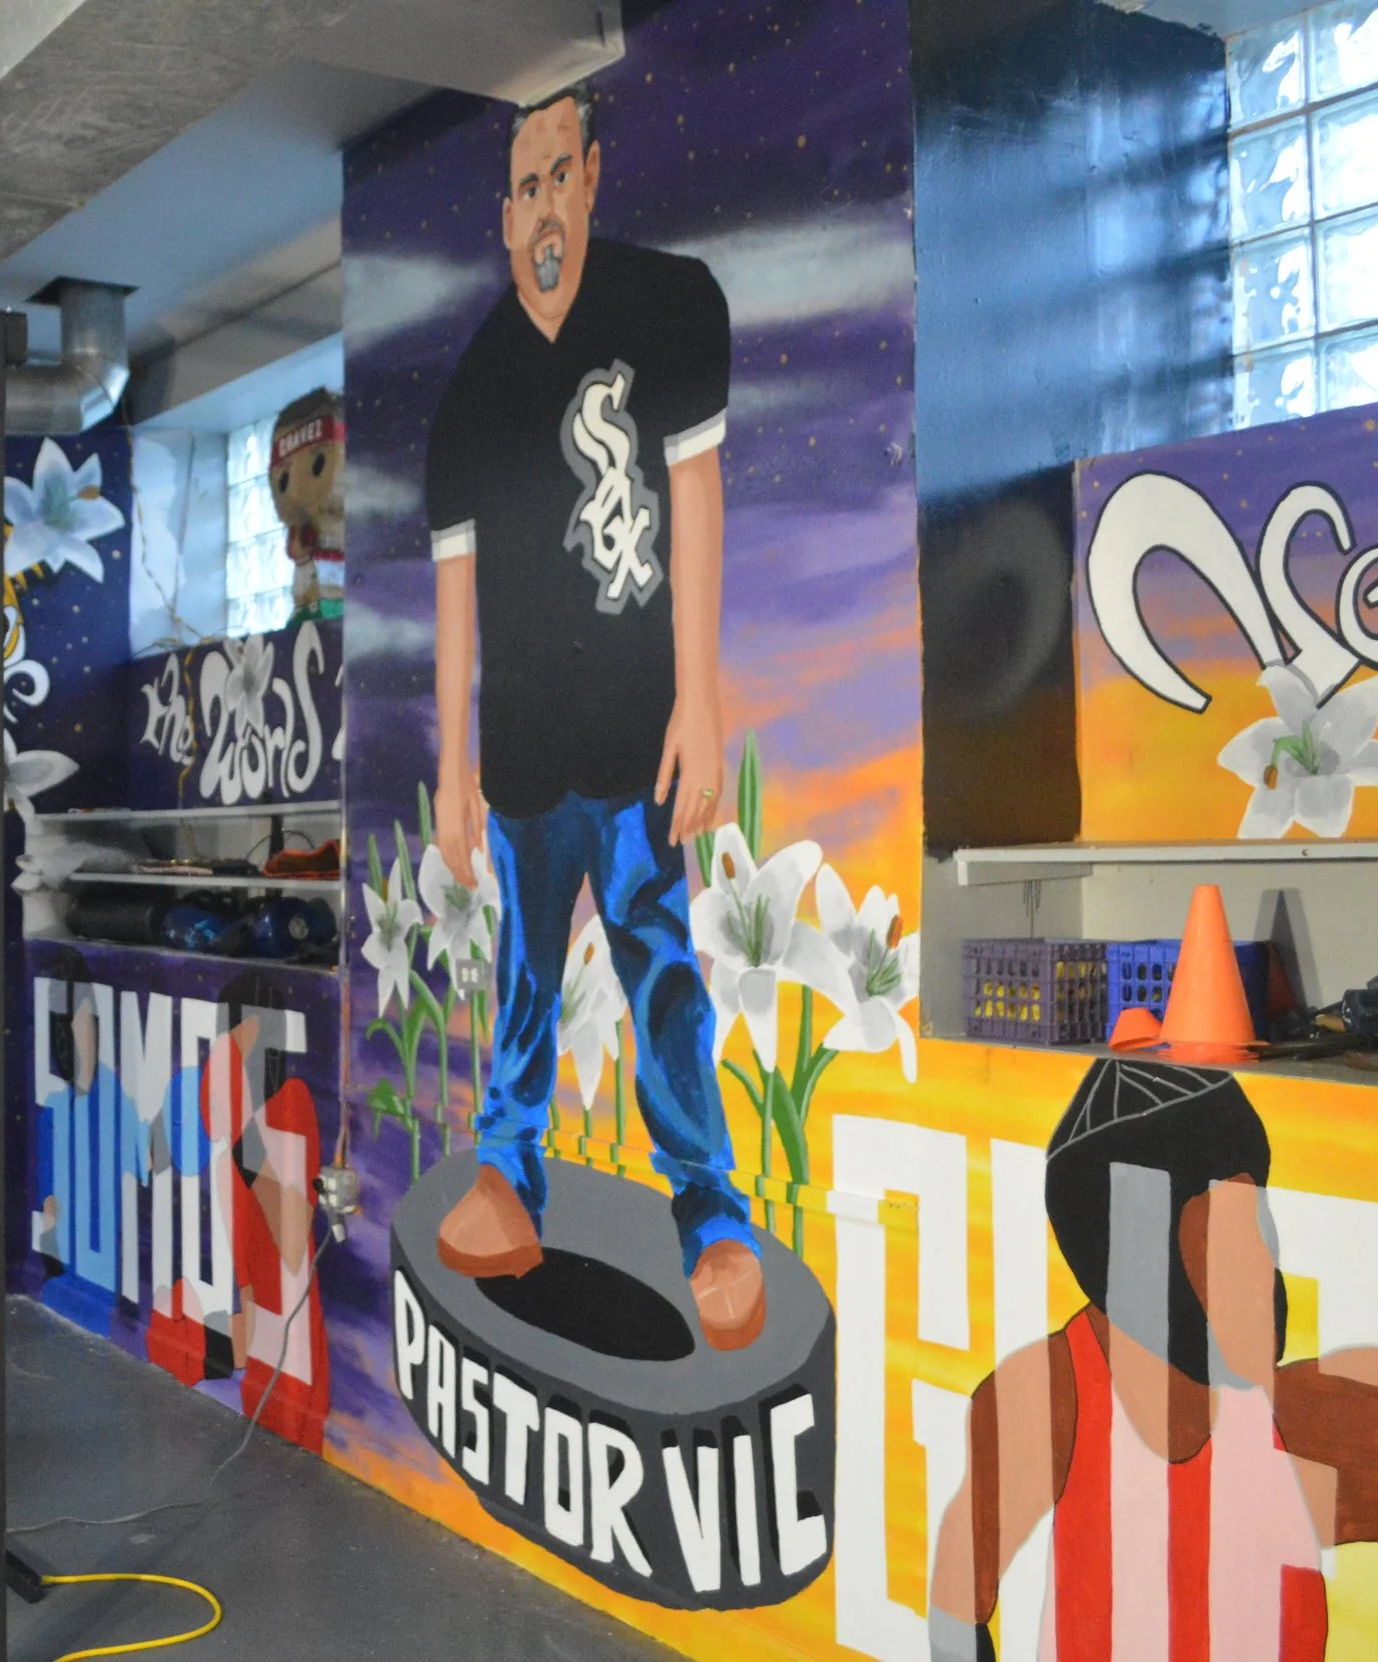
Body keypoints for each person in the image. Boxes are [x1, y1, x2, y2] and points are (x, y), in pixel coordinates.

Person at [425, 81, 761, 1350]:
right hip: (520, 751)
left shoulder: (667, 305)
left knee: (656, 960)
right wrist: (452, 769)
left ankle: (711, 1215)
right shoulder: (471, 391)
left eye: (561, 175)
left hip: (632, 735)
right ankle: (507, 1178)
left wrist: (699, 700)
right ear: (503, 216)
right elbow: (454, 594)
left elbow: (696, 494)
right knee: (523, 965)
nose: (545, 207)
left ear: (594, 177)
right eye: (525, 188)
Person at [928, 1059, 1378, 1661]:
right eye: (1225, 1232)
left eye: (1257, 1221)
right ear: (1137, 1254)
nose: (1260, 1264)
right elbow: (956, 1606)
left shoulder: (1320, 1420)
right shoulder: (1053, 1396)